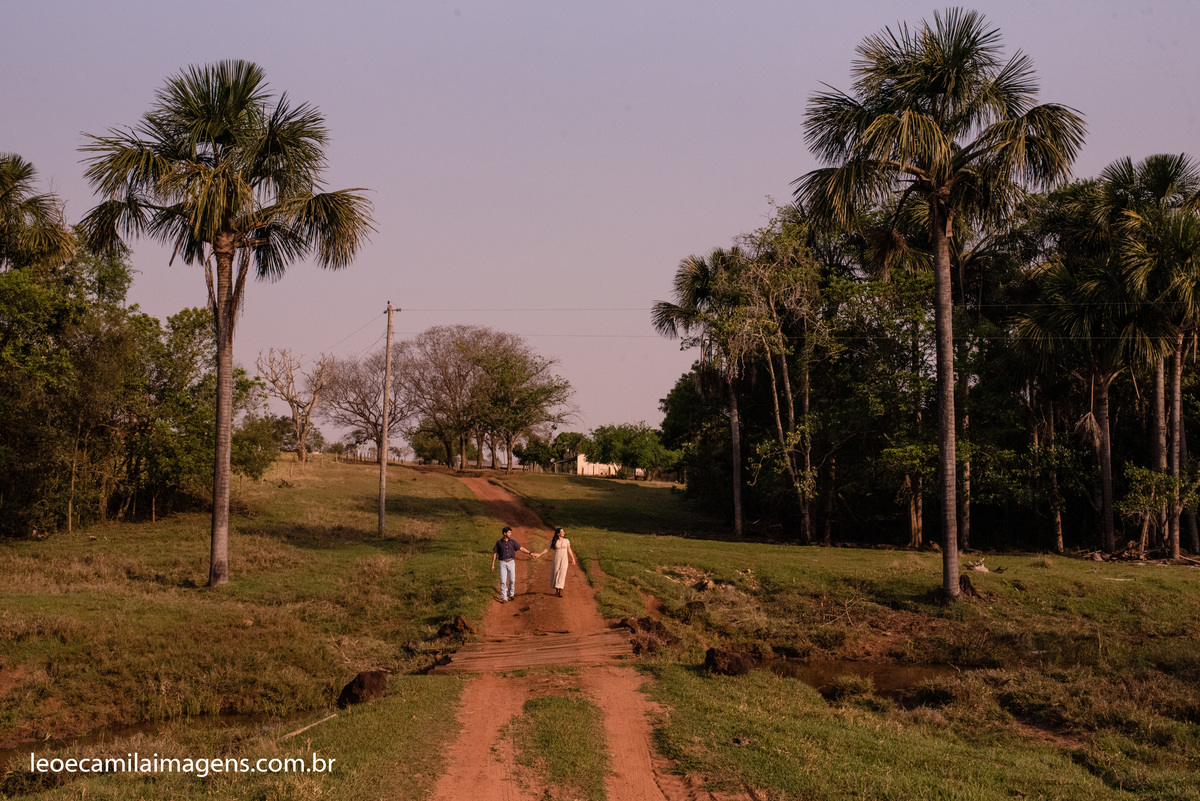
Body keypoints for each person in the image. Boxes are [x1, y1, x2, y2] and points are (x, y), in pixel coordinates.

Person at [490, 526, 533, 603]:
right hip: (502, 563)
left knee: (512, 580)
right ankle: (504, 598)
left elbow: (521, 548)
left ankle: (511, 593)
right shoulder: (499, 543)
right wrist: (493, 564)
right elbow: (495, 553)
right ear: (504, 533)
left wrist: (530, 553)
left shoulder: (512, 542)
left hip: (511, 562)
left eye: (510, 532)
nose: (511, 534)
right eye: (509, 532)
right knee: (503, 581)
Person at [534, 527, 577, 597]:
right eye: (562, 532)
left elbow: (569, 549)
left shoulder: (566, 541)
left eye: (563, 531)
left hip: (564, 559)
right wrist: (539, 554)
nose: (563, 533)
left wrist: (573, 558)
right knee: (556, 573)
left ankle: (560, 590)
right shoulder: (553, 541)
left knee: (562, 574)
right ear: (558, 534)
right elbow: (547, 549)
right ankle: (557, 589)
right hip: (556, 559)